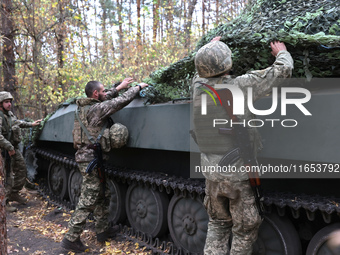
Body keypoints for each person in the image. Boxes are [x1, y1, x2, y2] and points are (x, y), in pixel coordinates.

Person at [192, 37, 294, 254]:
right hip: (237, 172)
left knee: (218, 224)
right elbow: (282, 71)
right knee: (245, 229)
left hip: (211, 172)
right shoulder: (240, 85)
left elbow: (198, 72)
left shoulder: (197, 87)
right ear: (226, 63)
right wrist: (281, 52)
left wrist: (209, 49)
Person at [61, 78, 149, 253]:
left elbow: (107, 96)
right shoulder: (96, 109)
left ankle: (102, 231)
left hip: (90, 158)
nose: (105, 92)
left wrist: (120, 87)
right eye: (102, 91)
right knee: (88, 200)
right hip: (90, 160)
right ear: (95, 94)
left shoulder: (85, 107)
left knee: (103, 193)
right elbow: (118, 102)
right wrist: (137, 88)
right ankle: (70, 238)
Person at [0, 91, 42, 212]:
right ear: (0, 104)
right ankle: (5, 202)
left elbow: (17, 123)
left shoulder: (9, 114)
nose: (9, 104)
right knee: (8, 176)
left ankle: (14, 193)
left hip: (13, 148)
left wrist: (31, 124)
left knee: (22, 171)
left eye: (10, 102)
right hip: (4, 151)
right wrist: (9, 148)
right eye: (6, 102)